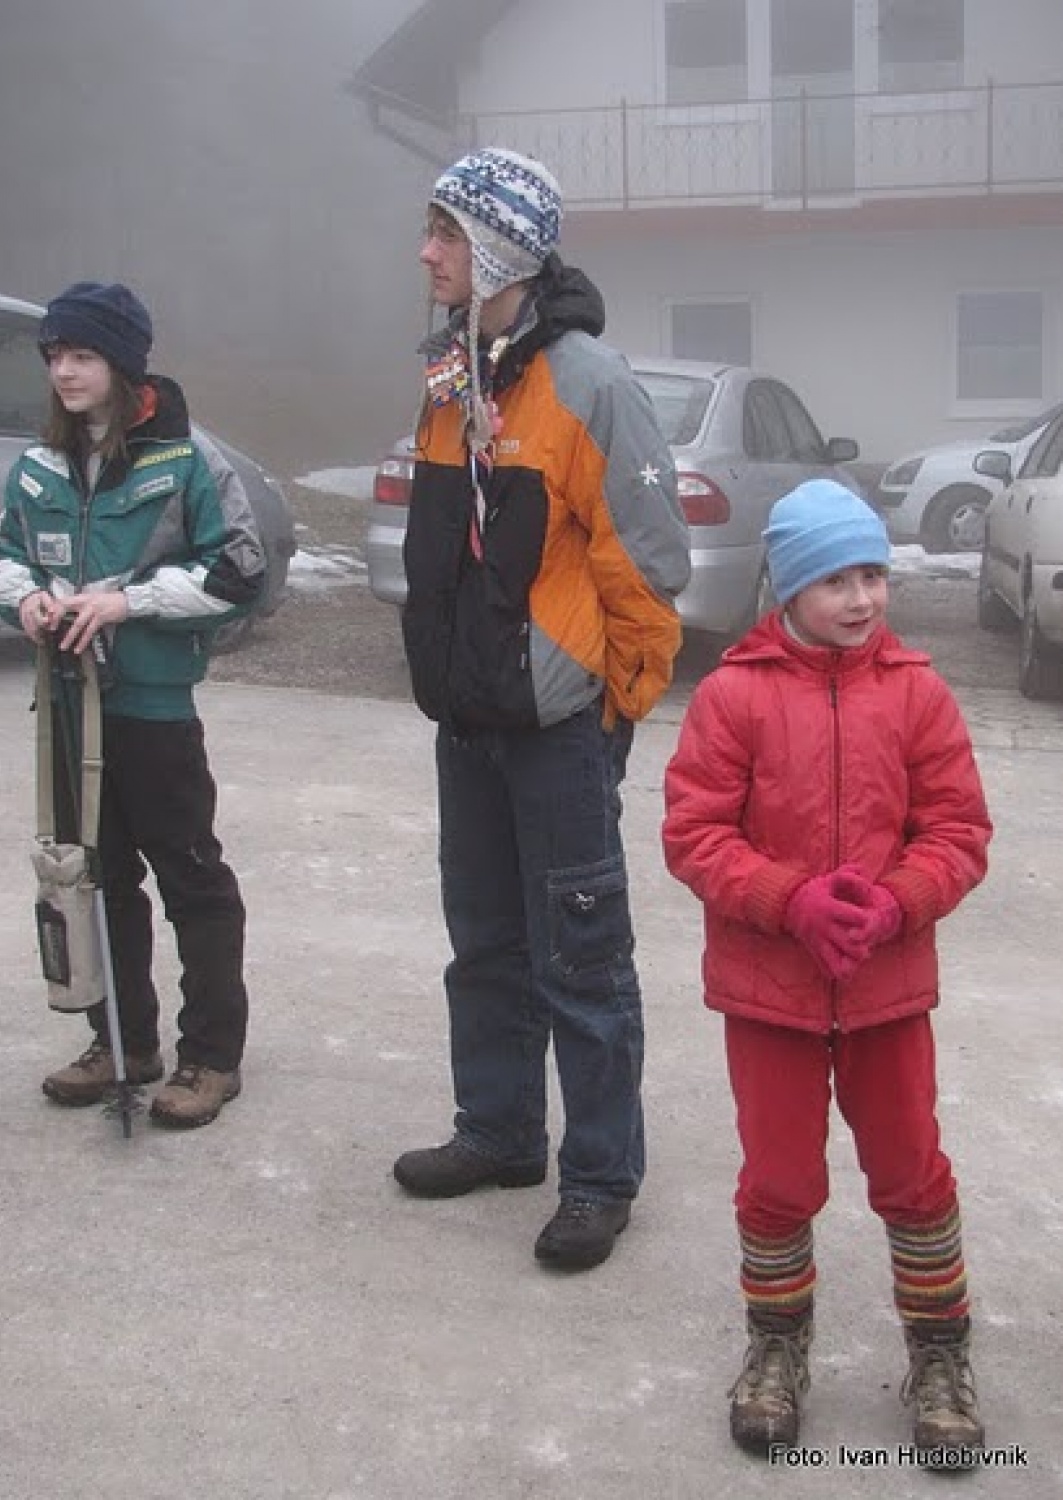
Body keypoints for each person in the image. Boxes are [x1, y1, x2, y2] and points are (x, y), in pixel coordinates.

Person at [392, 147, 692, 1272]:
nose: (425, 252)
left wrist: (610, 714)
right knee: (483, 943)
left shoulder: (587, 383)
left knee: (581, 960)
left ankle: (600, 1176)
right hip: (467, 723)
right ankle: (500, 1131)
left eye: (445, 234)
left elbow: (648, 571)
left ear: (502, 248)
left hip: (559, 731)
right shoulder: (449, 378)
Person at [662, 480, 992, 1458]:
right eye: (835, 579)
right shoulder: (732, 695)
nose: (860, 598)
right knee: (775, 1180)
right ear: (787, 587)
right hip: (769, 997)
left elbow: (957, 832)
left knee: (910, 1172)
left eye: (872, 575)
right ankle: (775, 1345)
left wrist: (897, 900)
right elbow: (692, 834)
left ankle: (937, 1351)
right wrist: (784, 899)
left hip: (886, 992)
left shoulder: (917, 693)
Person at [0, 281, 264, 1129]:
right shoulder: (36, 465)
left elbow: (240, 573)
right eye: (55, 357)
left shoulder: (186, 460)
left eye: (83, 355)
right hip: (69, 709)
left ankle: (210, 1056)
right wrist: (26, 599)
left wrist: (126, 603)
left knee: (191, 881)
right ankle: (122, 1042)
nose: (65, 372)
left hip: (152, 710)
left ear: (122, 364)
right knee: (99, 879)